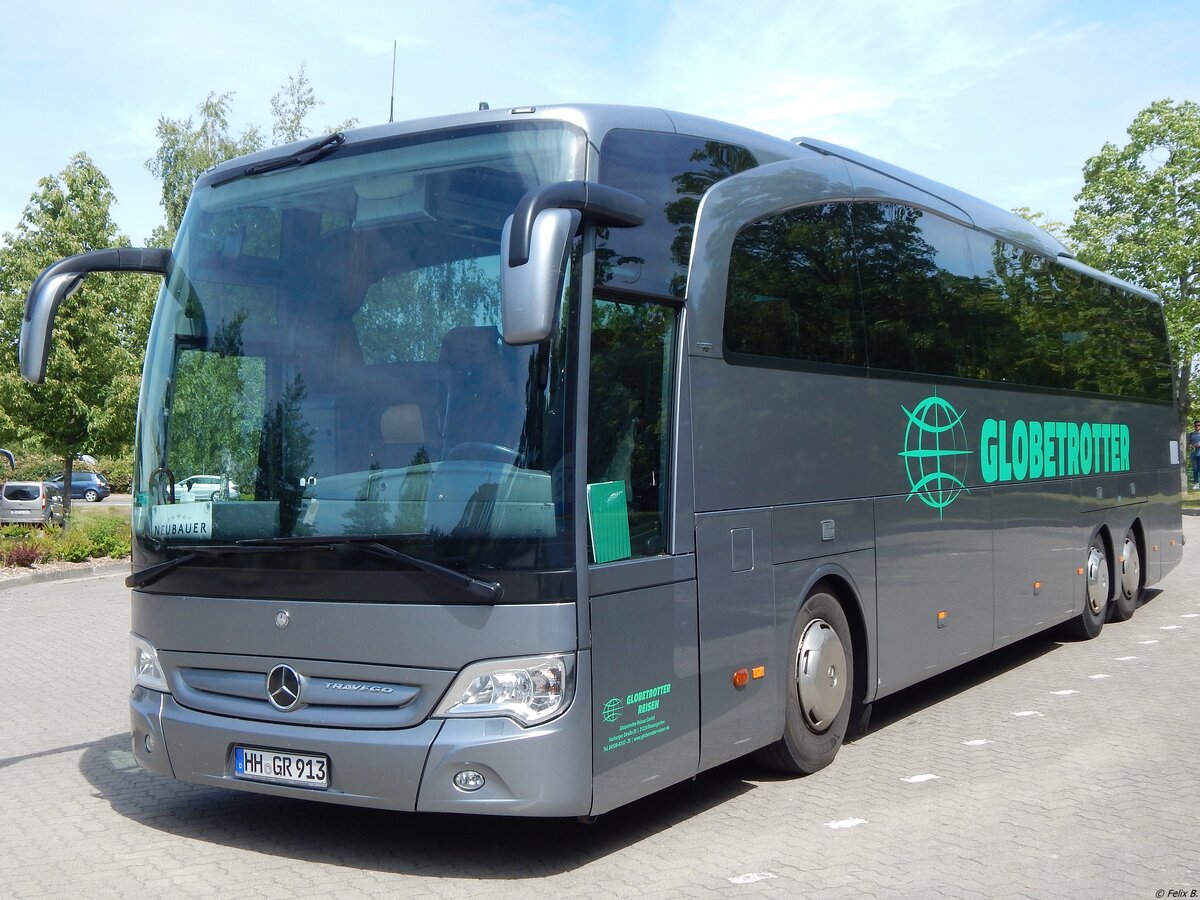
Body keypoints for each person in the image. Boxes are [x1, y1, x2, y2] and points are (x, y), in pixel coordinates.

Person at [1189, 421, 1200, 490]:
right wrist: (1190, 445)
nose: (1197, 426)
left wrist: (1196, 445)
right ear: (1194, 426)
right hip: (1193, 455)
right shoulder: (1191, 434)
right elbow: (1189, 443)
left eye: (1199, 425)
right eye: (1196, 425)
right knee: (1195, 469)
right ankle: (1196, 484)